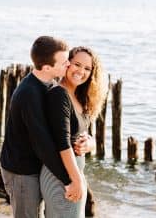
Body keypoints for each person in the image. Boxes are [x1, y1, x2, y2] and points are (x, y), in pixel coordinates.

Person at [0, 36, 70, 218]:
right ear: (47, 67)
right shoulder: (29, 93)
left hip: (34, 167)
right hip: (21, 172)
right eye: (64, 62)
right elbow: (42, 143)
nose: (68, 65)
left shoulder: (47, 83)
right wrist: (68, 180)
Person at [40, 46, 104, 218]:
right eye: (77, 64)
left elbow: (82, 133)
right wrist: (75, 181)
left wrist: (90, 143)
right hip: (61, 178)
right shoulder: (58, 94)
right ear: (67, 63)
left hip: (74, 175)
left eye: (87, 68)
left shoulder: (79, 97)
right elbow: (62, 143)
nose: (81, 71)